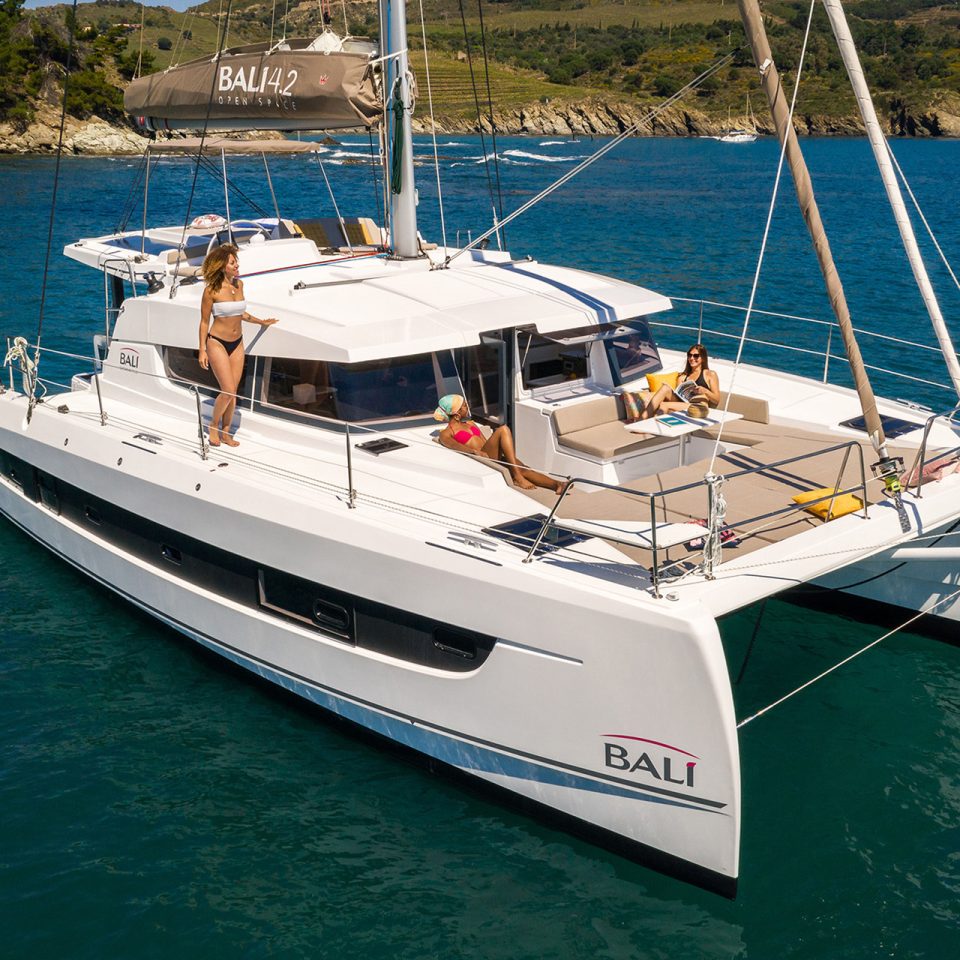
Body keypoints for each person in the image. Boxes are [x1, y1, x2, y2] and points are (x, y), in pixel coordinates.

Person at [199, 244, 278, 446]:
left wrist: (261, 322)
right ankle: (213, 426)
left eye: (236, 262)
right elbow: (204, 322)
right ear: (222, 266)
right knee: (226, 390)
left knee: (233, 391)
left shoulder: (239, 285)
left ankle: (227, 432)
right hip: (216, 342)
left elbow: (239, 313)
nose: (237, 266)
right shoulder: (211, 290)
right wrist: (202, 349)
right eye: (233, 263)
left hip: (237, 342)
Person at [435, 394, 566, 494]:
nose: (467, 406)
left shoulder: (470, 423)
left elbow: (485, 442)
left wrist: (500, 449)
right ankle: (517, 477)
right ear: (456, 413)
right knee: (503, 429)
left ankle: (557, 485)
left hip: (489, 455)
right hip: (480, 460)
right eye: (463, 405)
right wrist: (474, 452)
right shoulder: (446, 433)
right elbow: (453, 445)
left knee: (523, 468)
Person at [677, 343, 720, 407]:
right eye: (690, 355)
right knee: (665, 388)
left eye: (696, 356)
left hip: (698, 407)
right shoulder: (682, 377)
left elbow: (717, 400)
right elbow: (678, 398)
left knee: (663, 405)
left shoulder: (710, 374)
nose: (691, 358)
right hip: (684, 405)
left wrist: (705, 391)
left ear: (703, 358)